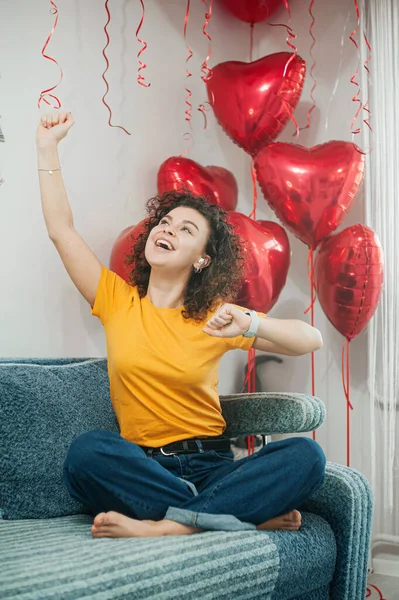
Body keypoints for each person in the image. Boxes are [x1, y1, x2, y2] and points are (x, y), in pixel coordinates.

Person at [36, 111, 325, 540]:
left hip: (212, 466)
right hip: (145, 468)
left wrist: (249, 321)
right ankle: (228, 516)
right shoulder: (116, 300)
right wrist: (47, 147)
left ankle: (170, 526)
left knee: (306, 455)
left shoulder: (216, 316)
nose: (167, 229)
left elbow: (311, 339)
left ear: (201, 259)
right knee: (86, 454)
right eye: (164, 223)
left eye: (185, 229)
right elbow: (61, 230)